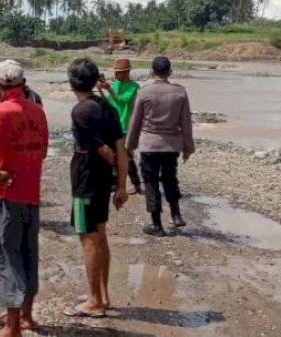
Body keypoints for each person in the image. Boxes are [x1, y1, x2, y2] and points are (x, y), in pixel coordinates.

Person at [0, 60, 49, 337]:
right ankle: (27, 317)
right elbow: (41, 152)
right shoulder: (38, 111)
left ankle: (11, 327)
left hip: (6, 195)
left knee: (6, 256)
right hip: (31, 193)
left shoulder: (0, 112)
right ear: (23, 83)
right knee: (29, 253)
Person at [62, 58, 129, 319]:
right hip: (102, 181)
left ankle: (94, 302)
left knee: (88, 238)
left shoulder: (80, 112)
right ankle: (102, 294)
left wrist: (111, 163)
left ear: (71, 83)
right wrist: (121, 184)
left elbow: (104, 150)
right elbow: (121, 149)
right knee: (100, 235)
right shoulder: (107, 106)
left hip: (86, 182)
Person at [126, 56, 194, 237]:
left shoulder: (144, 92)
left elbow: (135, 122)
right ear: (170, 72)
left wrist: (130, 145)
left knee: (151, 183)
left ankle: (156, 224)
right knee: (170, 179)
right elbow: (186, 122)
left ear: (151, 72)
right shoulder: (180, 92)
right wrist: (188, 148)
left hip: (149, 145)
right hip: (172, 146)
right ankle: (176, 214)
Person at [98, 58, 142, 194]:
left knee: (127, 156)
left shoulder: (134, 86)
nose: (116, 75)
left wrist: (109, 88)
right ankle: (116, 182)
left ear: (126, 72)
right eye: (115, 73)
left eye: (118, 73)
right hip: (112, 125)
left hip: (125, 127)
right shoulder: (115, 84)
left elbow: (122, 101)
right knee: (112, 155)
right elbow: (108, 104)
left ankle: (136, 184)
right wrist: (100, 90)